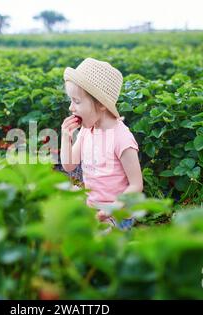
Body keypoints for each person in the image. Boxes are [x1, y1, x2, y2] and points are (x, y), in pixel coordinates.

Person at [60, 57, 143, 231]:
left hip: (118, 214)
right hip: (94, 208)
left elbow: (136, 185)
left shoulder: (122, 138)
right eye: (71, 101)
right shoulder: (86, 130)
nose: (71, 108)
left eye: (76, 101)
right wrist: (65, 137)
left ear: (100, 104)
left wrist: (111, 209)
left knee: (96, 236)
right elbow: (68, 165)